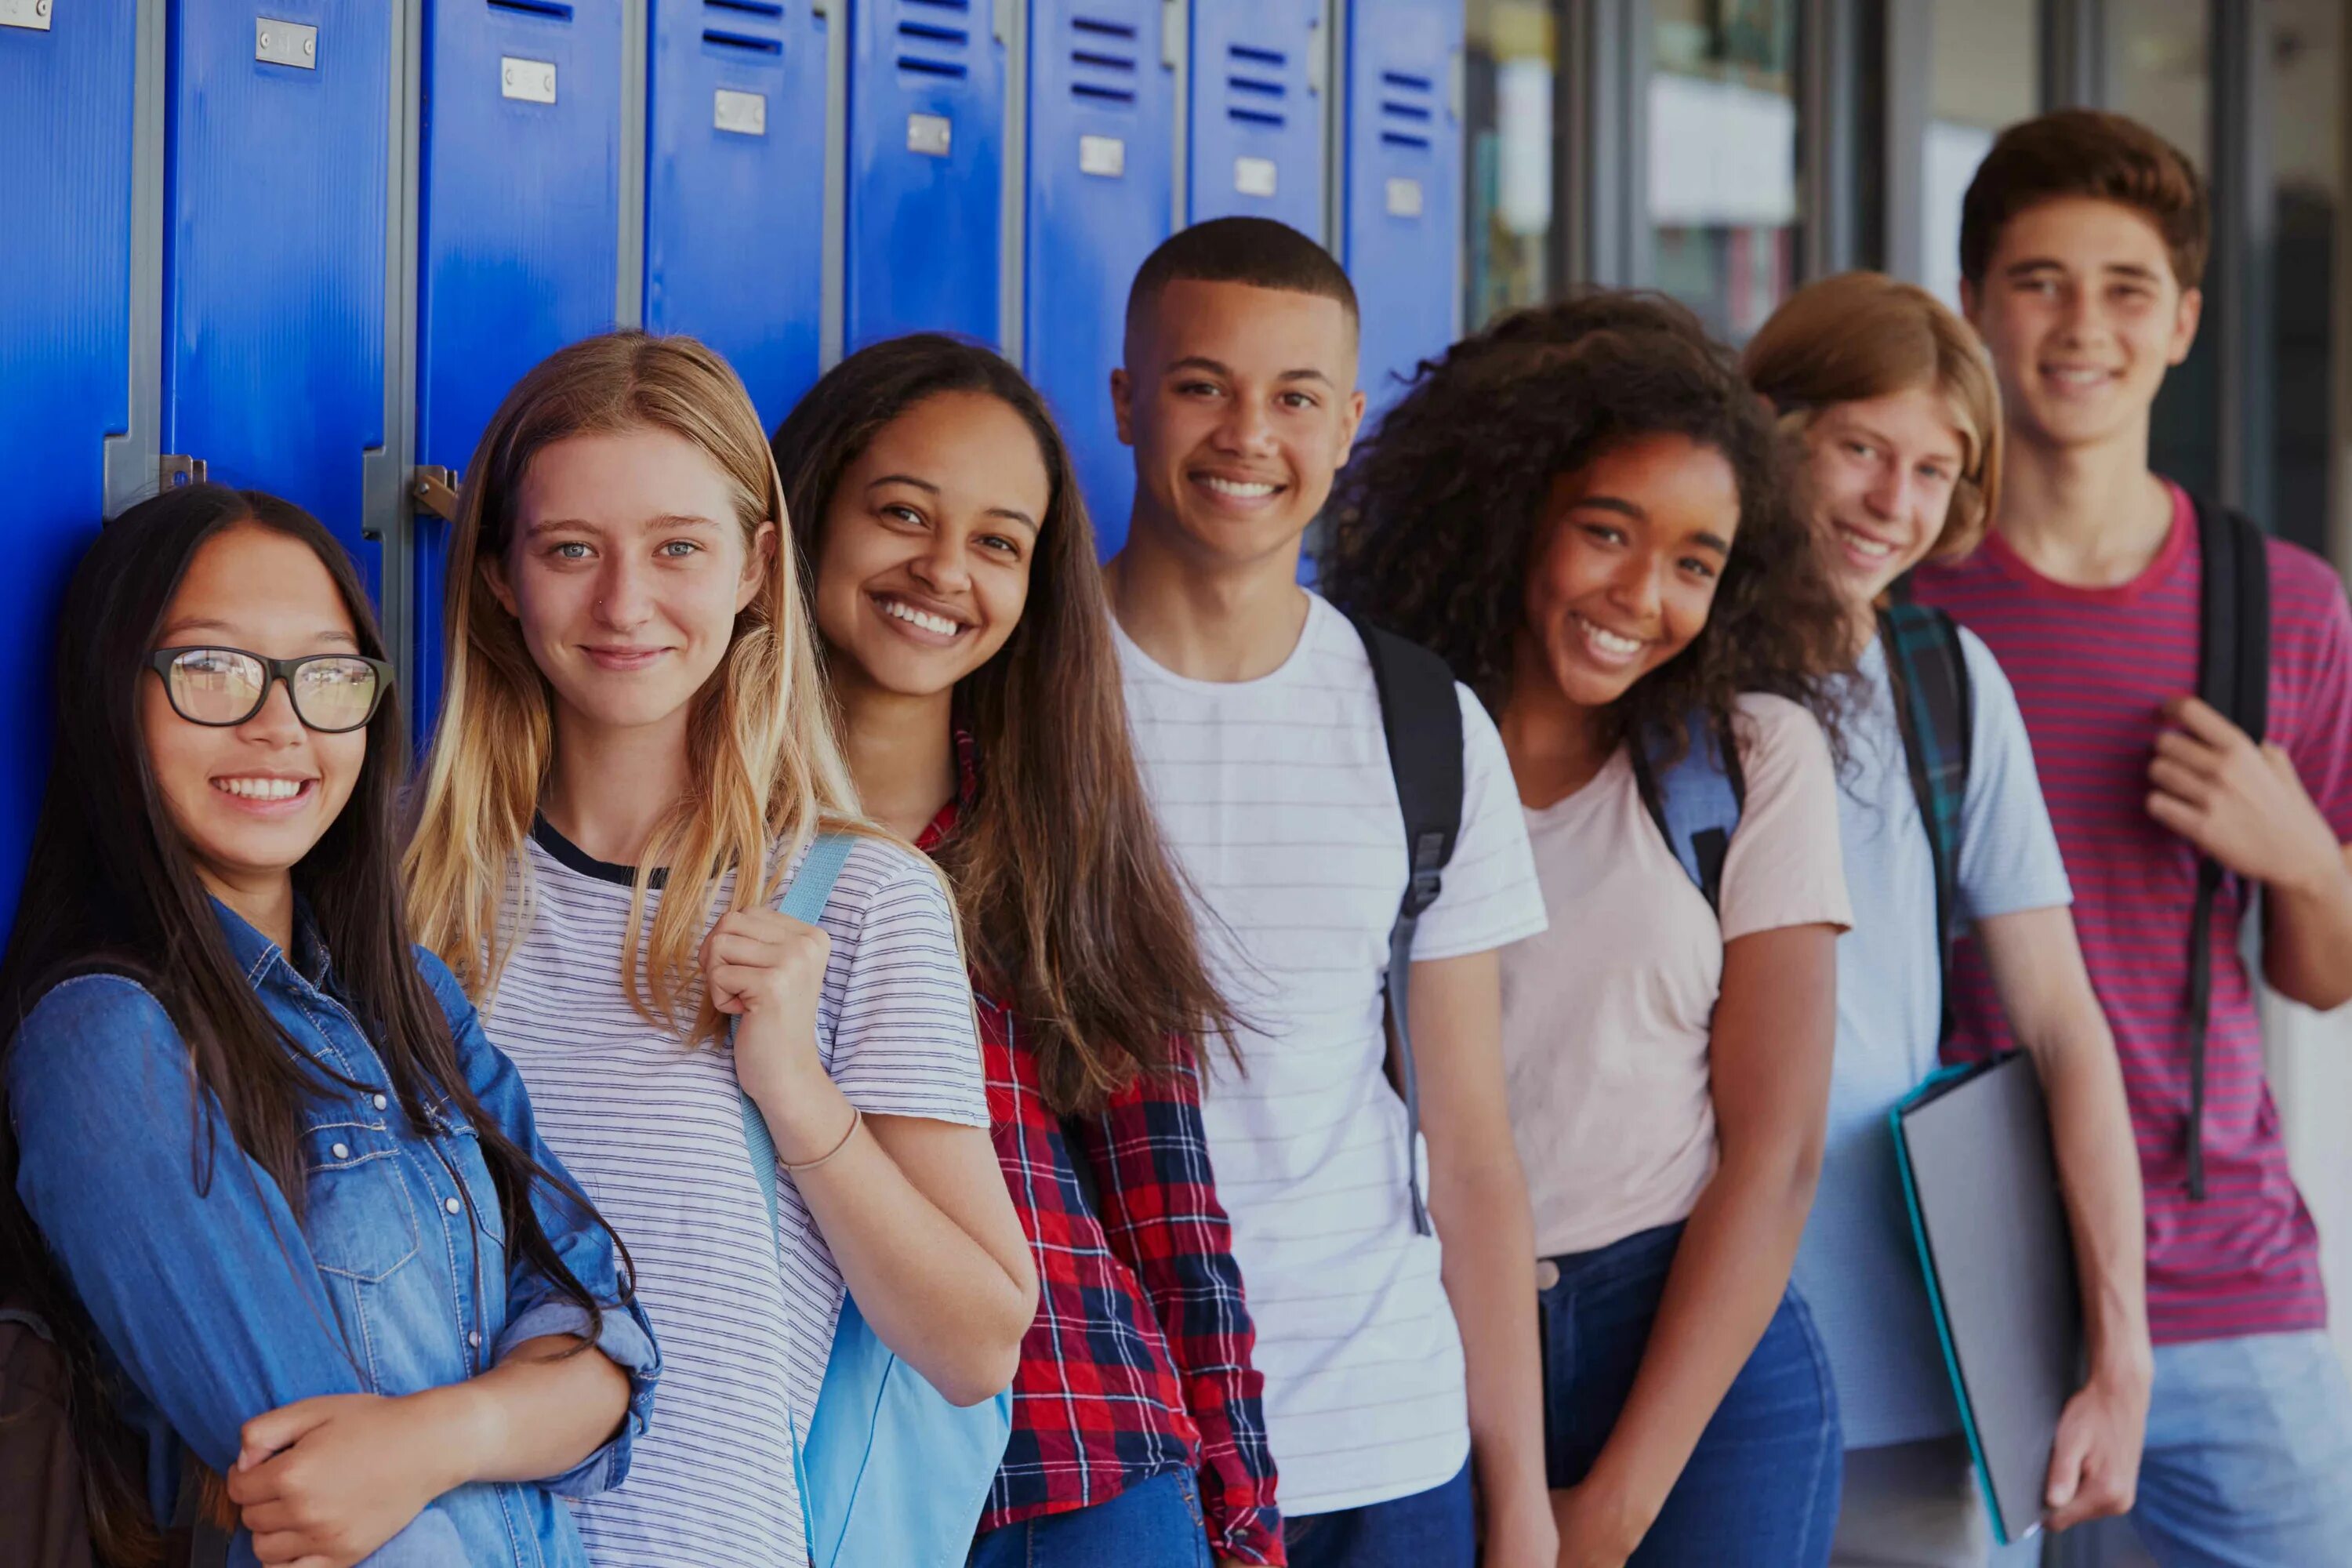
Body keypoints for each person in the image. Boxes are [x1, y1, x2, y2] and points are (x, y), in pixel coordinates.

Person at [404, 331, 1037, 1568]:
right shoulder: (406, 891)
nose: (625, 603)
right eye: (571, 550)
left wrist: (795, 1094)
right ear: (498, 574)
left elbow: (975, 1345)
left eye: (677, 549)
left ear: (755, 568)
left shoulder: (860, 903)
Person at [0, 484, 658, 1568]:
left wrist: (430, 1438)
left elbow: (613, 1346)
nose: (281, 723)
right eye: (211, 669)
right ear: (115, 695)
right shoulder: (109, 1042)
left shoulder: (413, 1002)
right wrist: (511, 1418)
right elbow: (315, 1490)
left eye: (327, 674)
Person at [1325, 292, 1852, 1567]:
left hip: (1688, 1362)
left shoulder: (1748, 761)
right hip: (1422, 1335)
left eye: (1693, 561)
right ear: (1511, 517)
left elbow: (1773, 1158)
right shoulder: (1373, 736)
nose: (1642, 597)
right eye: (1607, 532)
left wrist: (1618, 1503)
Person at [1912, 109, 2352, 1567]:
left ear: (2183, 324)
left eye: (2124, 287)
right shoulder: (1906, 606)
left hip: (2224, 1285)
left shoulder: (2280, 604)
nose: (2080, 323)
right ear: (1977, 304)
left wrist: (2302, 857)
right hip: (1943, 1281)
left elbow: (2326, 975)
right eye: (2039, 281)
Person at [773, 333, 1283, 1567]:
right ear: (805, 520)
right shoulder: (695, 844)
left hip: (1077, 1474)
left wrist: (1247, 1523)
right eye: (901, 513)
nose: (944, 571)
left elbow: (1171, 1220)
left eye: (999, 542)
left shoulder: (1060, 846)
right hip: (798, 1484)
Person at [1103, 216, 1555, 1568]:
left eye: (1295, 397)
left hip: (1388, 1448)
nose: (1250, 434)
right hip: (1116, 1448)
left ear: (1348, 422)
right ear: (1128, 400)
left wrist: (1519, 1495)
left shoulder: (1424, 719)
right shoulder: (1019, 697)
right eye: (1202, 386)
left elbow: (1469, 1149)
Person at [1744, 271, 2153, 1564]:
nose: (1892, 505)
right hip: (1693, 1357)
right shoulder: (1660, 660)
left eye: (1933, 471)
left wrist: (2119, 1351)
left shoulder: (1947, 684)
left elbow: (2065, 1028)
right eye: (1860, 449)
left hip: (1928, 1355)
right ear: (1772, 431)